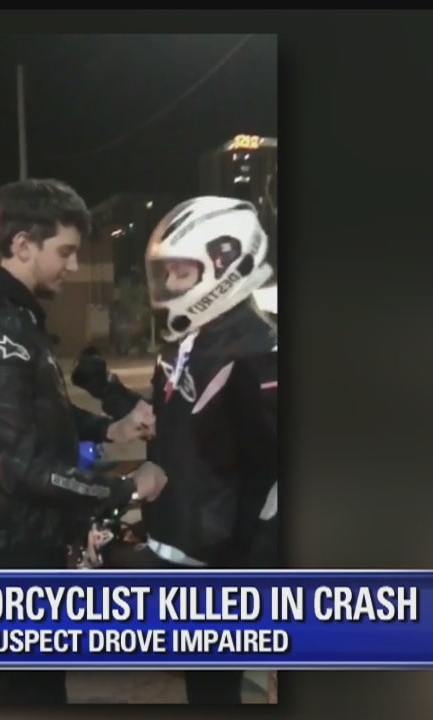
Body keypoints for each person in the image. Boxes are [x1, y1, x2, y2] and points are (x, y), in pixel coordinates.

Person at [0, 178, 167, 706]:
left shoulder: (11, 318)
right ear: (23, 245)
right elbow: (23, 467)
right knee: (33, 686)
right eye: (66, 251)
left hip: (10, 535)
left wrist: (109, 429)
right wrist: (125, 490)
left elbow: (36, 416)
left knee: (31, 680)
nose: (73, 266)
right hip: (10, 544)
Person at [74, 196, 279, 704]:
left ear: (227, 264)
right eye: (165, 272)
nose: (168, 284)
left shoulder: (260, 356)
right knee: (200, 686)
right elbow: (172, 423)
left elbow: (268, 478)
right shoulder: (189, 341)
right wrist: (109, 392)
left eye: (181, 272)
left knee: (214, 691)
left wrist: (245, 566)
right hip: (180, 540)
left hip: (220, 561)